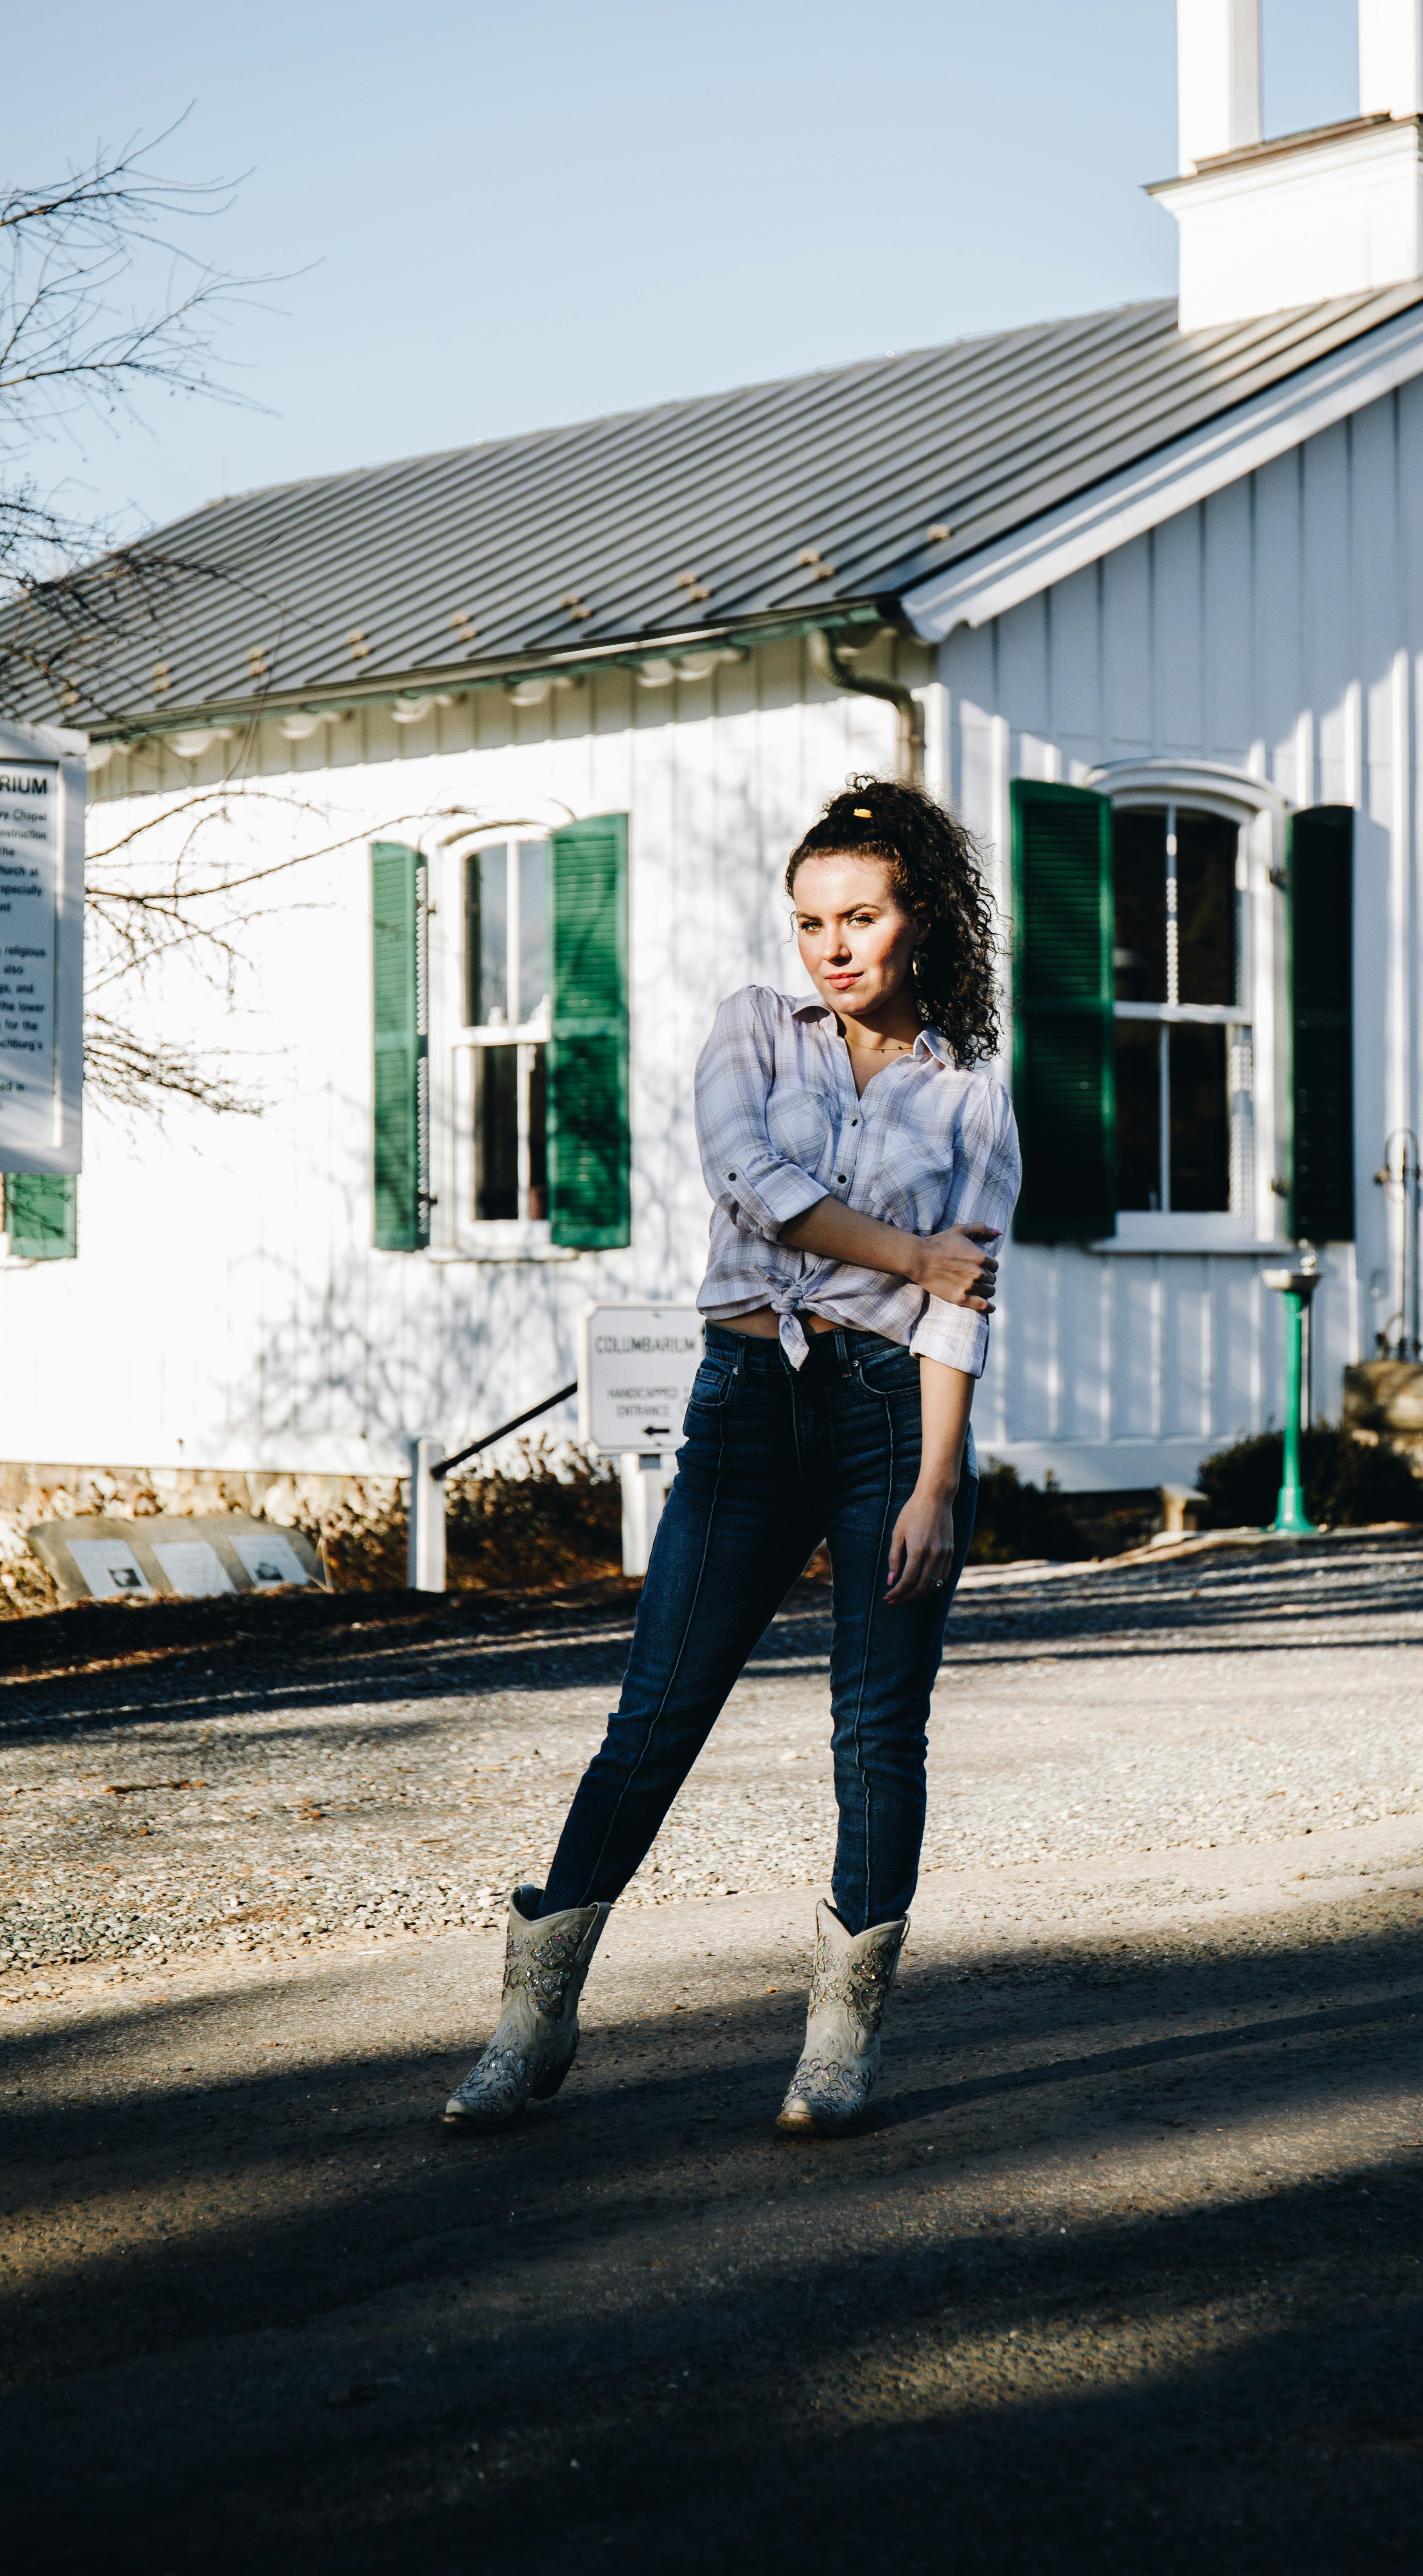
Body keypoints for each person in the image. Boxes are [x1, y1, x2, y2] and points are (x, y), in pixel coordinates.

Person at [444, 774, 1020, 2137]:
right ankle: (534, 2016)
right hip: (751, 1401)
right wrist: (910, 1254)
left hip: (892, 1420)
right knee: (657, 1710)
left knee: (878, 1736)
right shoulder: (752, 1033)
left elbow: (963, 1306)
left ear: (919, 921)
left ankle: (838, 2041)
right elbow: (748, 1184)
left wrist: (938, 1485)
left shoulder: (972, 1098)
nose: (831, 943)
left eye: (861, 916)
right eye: (810, 918)